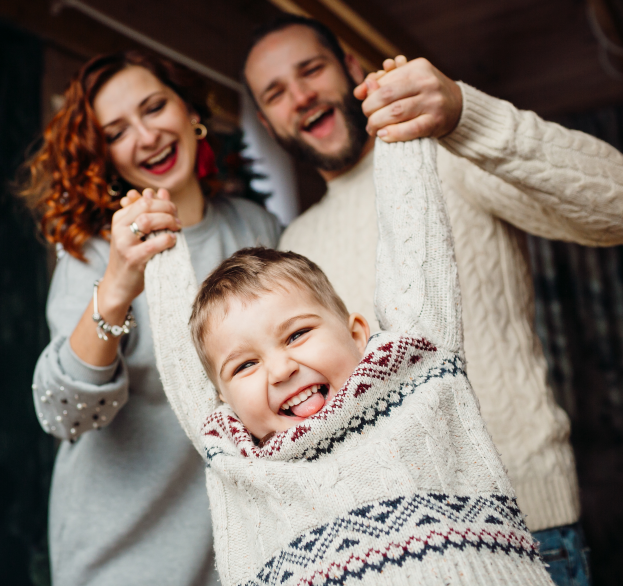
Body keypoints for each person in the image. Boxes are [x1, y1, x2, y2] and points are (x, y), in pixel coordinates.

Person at [242, 14, 623, 586]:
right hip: (387, 555)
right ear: (268, 122)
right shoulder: (294, 247)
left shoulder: (451, 156)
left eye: (311, 69)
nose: (299, 97)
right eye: (275, 93)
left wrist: (469, 116)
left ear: (350, 67)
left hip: (528, 528)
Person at [144, 137, 554, 586]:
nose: (281, 370)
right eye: (245, 365)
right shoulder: (232, 453)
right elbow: (187, 371)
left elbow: (415, 259)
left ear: (358, 333)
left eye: (297, 334)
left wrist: (400, 136)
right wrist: (157, 249)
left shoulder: (417, 371)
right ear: (222, 401)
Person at [18, 50, 281, 586]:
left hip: (244, 550)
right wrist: (117, 283)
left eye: (155, 107)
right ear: (106, 157)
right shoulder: (93, 254)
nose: (146, 136)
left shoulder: (258, 228)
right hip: (123, 556)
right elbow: (63, 414)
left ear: (189, 111)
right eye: (116, 132)